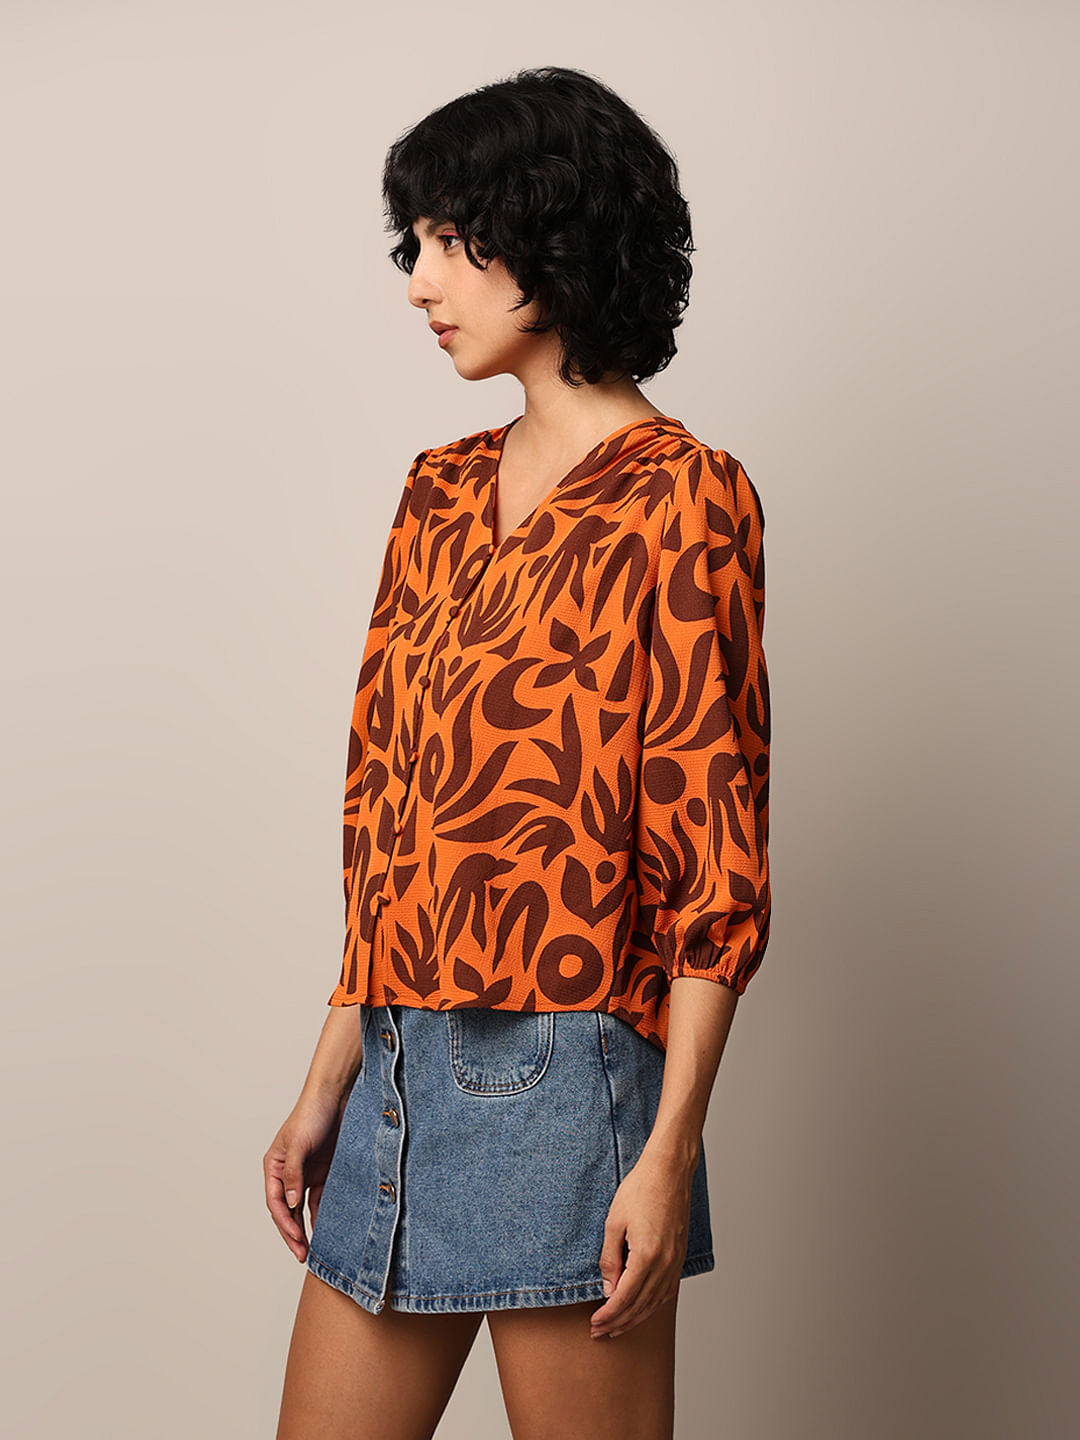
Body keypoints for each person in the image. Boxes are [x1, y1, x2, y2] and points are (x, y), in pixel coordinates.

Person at [266, 65, 771, 1440]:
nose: (420, 283)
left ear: (552, 236)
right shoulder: (435, 495)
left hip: (565, 1078)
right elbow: (393, 819)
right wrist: (325, 1083)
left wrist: (667, 1152)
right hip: (394, 1068)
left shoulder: (684, 499)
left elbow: (714, 860)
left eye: (452, 240)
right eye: (416, 242)